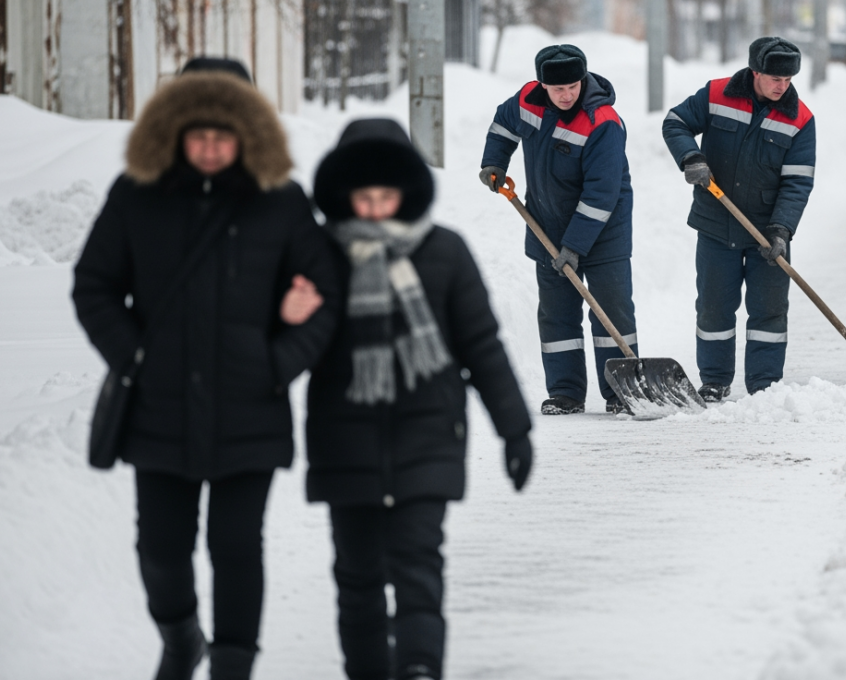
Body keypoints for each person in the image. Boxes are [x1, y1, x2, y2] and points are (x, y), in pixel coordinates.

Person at [71, 57, 340, 680]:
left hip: (252, 405)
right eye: (199, 135)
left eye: (225, 135)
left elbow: (323, 294)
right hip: (158, 406)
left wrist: (280, 359)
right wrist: (134, 355)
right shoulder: (137, 194)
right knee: (160, 549)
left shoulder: (282, 201)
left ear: (249, 130)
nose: (212, 148)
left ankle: (233, 667)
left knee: (236, 547)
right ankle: (180, 635)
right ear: (175, 129)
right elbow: (94, 286)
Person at [306, 118, 534, 680]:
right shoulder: (318, 257)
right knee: (356, 578)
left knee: (417, 568)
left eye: (388, 194)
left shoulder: (445, 252)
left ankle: (418, 667)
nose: (377, 207)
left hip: (427, 436)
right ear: (343, 195)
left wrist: (515, 429)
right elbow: (291, 347)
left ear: (408, 191)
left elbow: (481, 346)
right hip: (345, 441)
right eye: (364, 196)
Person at [478, 44, 636, 415]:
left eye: (573, 87)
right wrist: (494, 163)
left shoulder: (603, 122)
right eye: (558, 89)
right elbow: (502, 125)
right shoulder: (527, 102)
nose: (567, 95)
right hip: (547, 226)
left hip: (603, 230)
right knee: (557, 312)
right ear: (542, 85)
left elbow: (602, 193)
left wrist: (576, 245)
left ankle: (621, 391)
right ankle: (565, 392)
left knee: (610, 311)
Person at [662, 37, 816, 402]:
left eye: (789, 79)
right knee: (714, 307)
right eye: (775, 78)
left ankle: (765, 385)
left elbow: (797, 183)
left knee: (769, 311)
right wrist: (691, 158)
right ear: (755, 71)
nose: (782, 86)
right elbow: (675, 122)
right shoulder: (717, 94)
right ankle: (714, 380)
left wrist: (781, 229)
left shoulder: (800, 119)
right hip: (716, 221)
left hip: (767, 230)